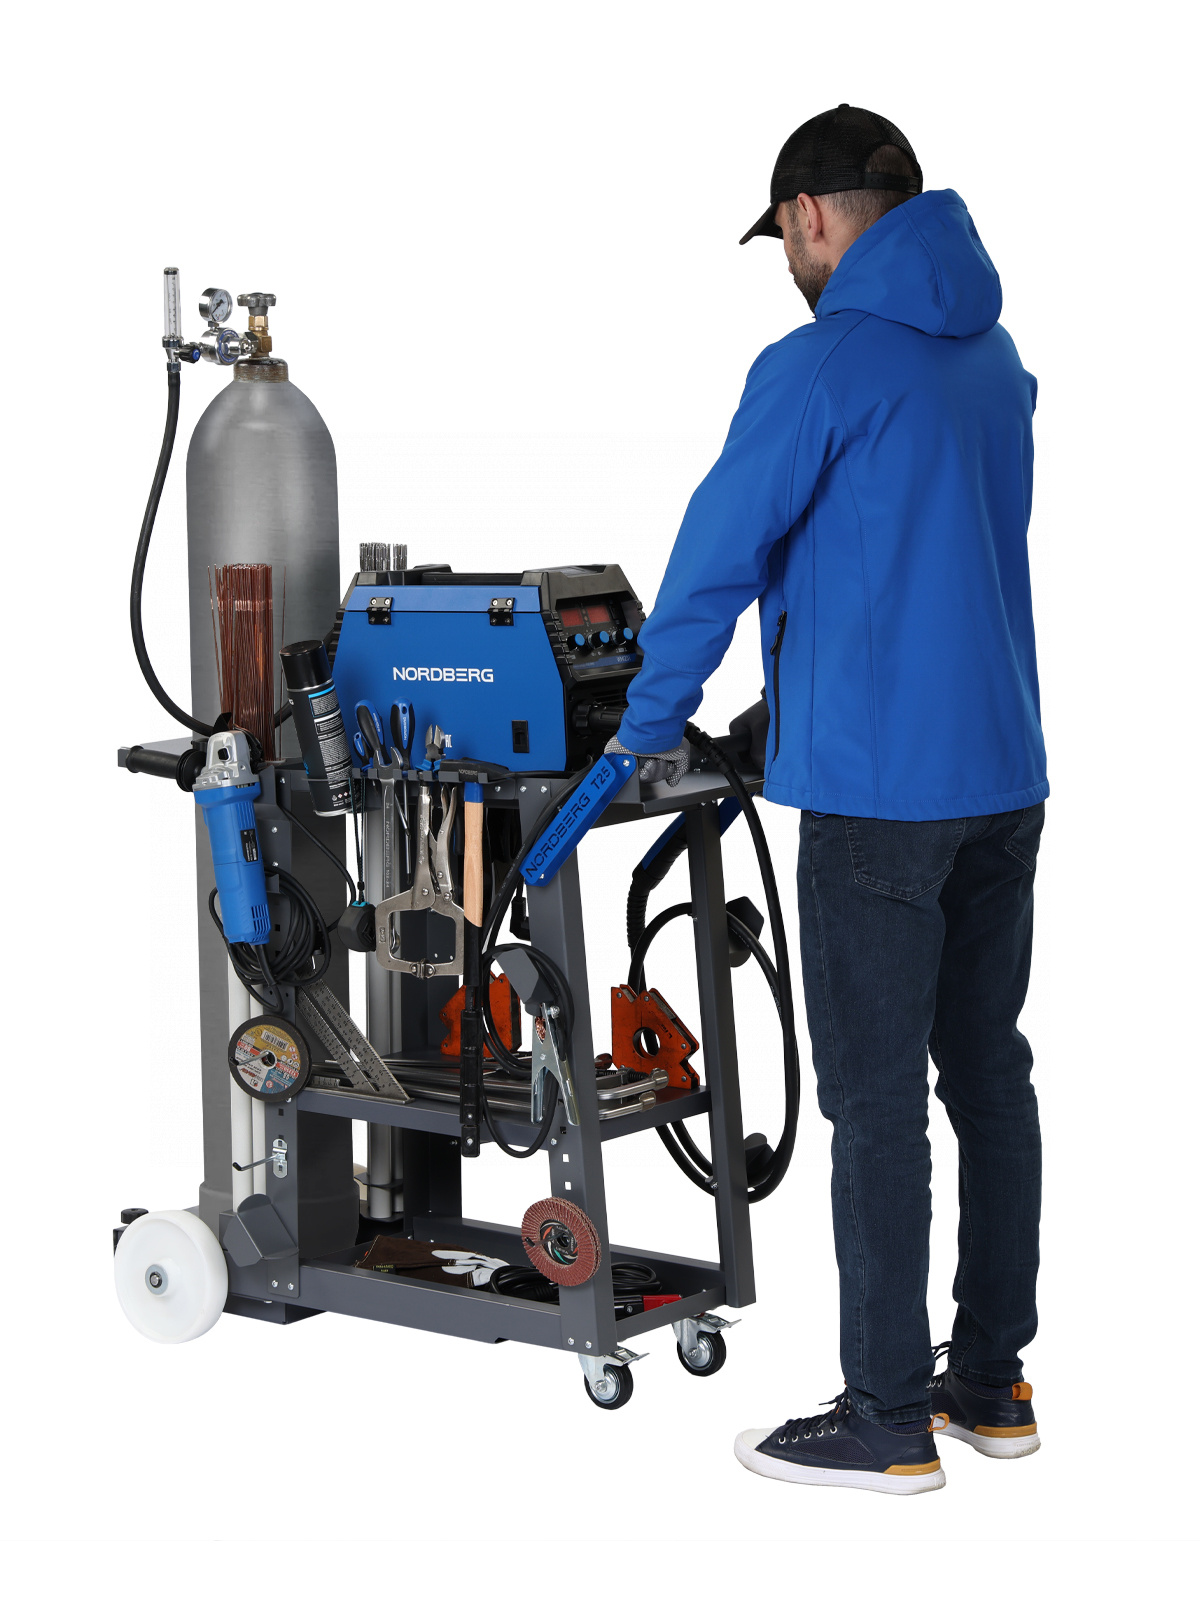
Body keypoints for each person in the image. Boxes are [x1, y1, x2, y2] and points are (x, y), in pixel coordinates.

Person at [609, 104, 1046, 1495]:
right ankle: (989, 1385)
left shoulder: (820, 364)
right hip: (1003, 775)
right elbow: (913, 558)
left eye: (786, 239)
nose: (790, 264)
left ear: (809, 215)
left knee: (875, 1105)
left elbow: (714, 562)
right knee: (988, 1074)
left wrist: (642, 733)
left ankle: (884, 1417)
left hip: (877, 804)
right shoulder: (994, 360)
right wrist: (777, 717)